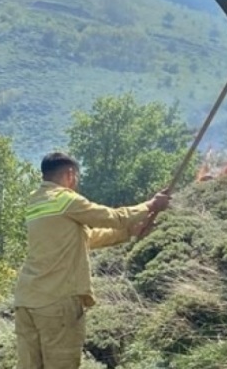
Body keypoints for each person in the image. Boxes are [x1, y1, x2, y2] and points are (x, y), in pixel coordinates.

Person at [13, 152, 171, 368]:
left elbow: (85, 238)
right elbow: (114, 217)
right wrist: (150, 206)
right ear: (70, 174)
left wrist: (129, 233)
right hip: (56, 301)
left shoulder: (35, 203)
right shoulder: (64, 199)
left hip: (26, 301)